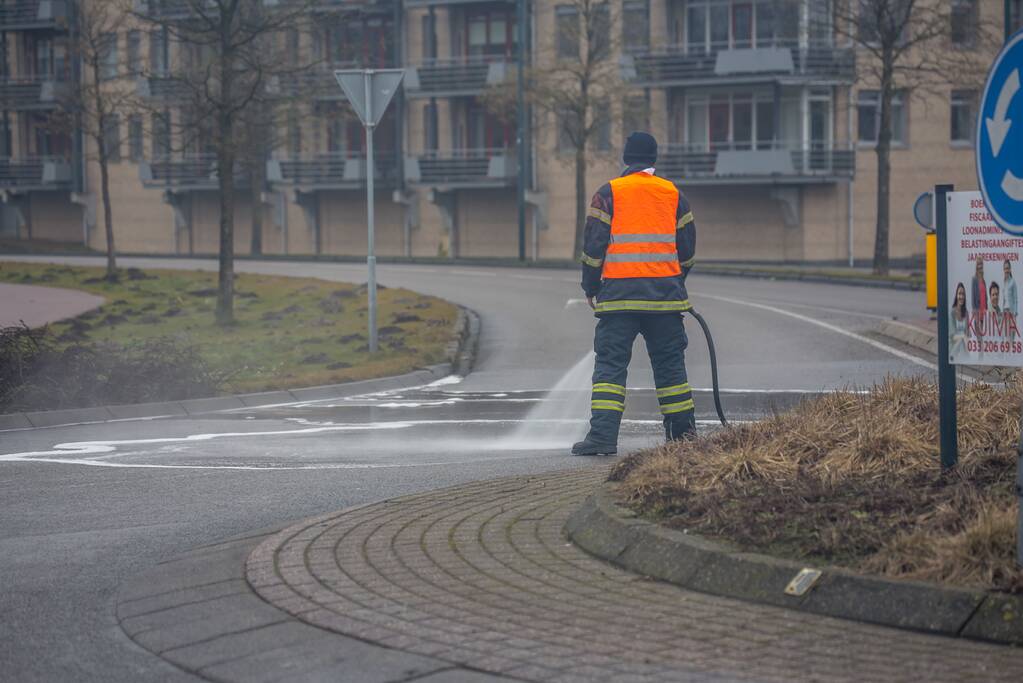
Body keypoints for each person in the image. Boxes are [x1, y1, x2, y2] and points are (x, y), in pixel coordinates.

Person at [573, 131, 697, 456]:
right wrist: (674, 279)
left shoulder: (608, 193)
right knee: (670, 367)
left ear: (625, 159)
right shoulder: (673, 194)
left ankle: (602, 436)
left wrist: (590, 286)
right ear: (654, 159)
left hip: (618, 300)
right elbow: (687, 249)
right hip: (665, 299)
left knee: (611, 367)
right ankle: (682, 437)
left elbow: (593, 246)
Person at [950, 282, 968, 356]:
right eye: (959, 294)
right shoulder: (952, 312)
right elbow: (952, 336)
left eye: (963, 294)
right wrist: (963, 337)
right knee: (961, 341)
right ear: (956, 295)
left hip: (964, 345)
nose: (961, 296)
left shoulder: (966, 312)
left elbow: (967, 333)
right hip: (954, 345)